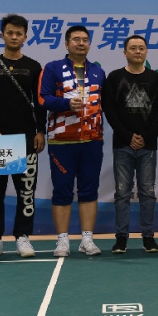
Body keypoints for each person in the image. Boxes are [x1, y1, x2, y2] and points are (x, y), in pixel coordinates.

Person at [0, 14, 46, 259]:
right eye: (10, 33)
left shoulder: (34, 66)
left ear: (25, 37)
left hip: (26, 136)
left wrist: (40, 131)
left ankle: (22, 237)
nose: (14, 37)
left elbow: (40, 103)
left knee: (26, 191)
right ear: (2, 35)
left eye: (19, 33)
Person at [38, 25, 106, 258]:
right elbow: (42, 99)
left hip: (92, 140)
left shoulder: (98, 71)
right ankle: (62, 240)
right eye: (76, 39)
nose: (81, 43)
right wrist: (66, 104)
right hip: (62, 141)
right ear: (67, 44)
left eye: (85, 39)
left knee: (89, 190)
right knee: (62, 190)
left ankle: (87, 239)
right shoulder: (53, 68)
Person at [101, 35, 158, 254]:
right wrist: (128, 136)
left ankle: (148, 237)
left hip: (148, 146)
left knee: (148, 192)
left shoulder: (155, 78)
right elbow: (110, 110)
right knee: (122, 194)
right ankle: (121, 238)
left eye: (141, 48)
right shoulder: (115, 77)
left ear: (146, 51)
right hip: (122, 145)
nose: (137, 52)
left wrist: (146, 136)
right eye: (133, 48)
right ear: (125, 52)